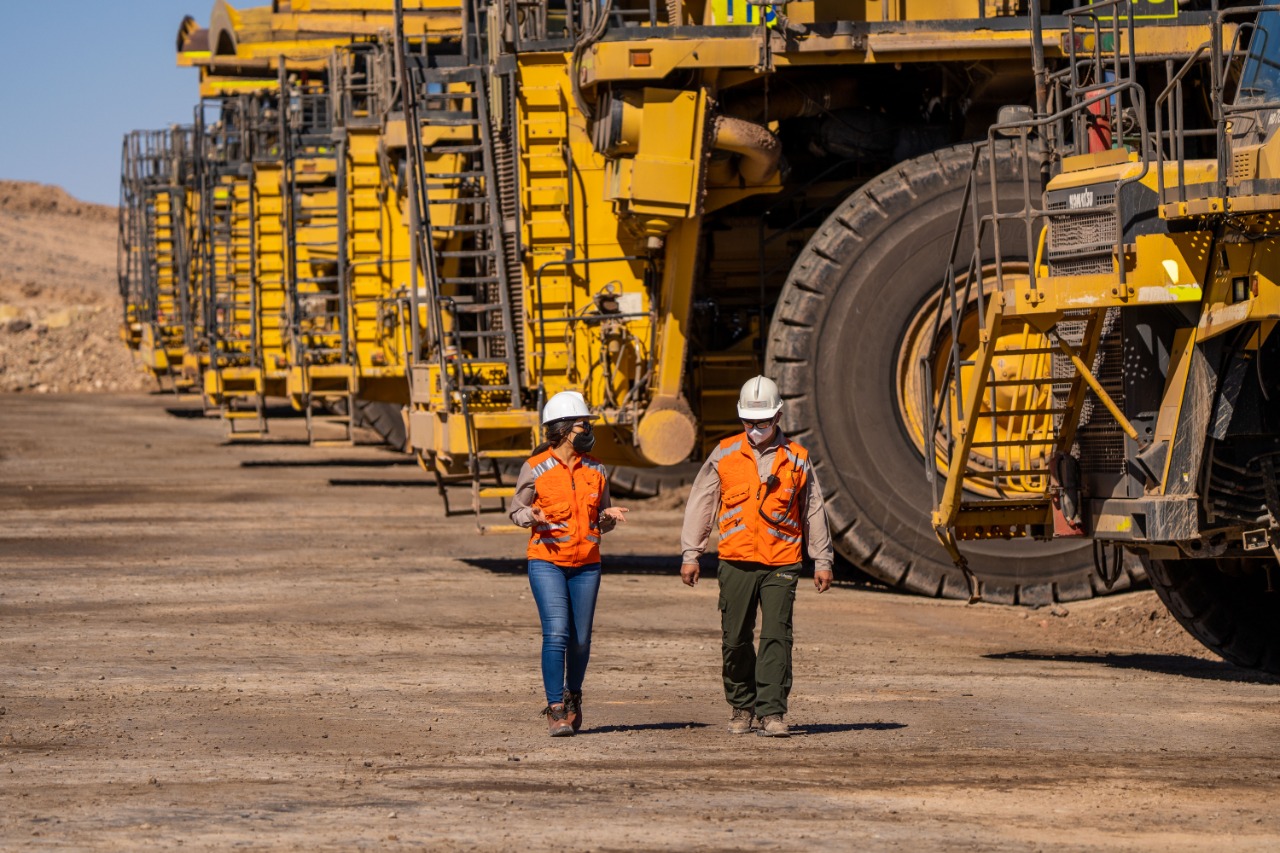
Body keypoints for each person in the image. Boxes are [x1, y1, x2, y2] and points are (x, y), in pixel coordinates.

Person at [680, 375, 834, 738]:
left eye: (762, 423)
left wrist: (822, 559)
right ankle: (741, 705)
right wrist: (692, 553)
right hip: (736, 561)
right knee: (735, 639)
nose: (754, 429)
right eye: (748, 422)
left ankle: (772, 712)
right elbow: (702, 504)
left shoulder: (797, 458)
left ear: (778, 417)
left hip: (782, 560)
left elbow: (813, 509)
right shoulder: (725, 453)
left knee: (777, 637)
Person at [510, 390, 629, 736]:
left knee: (580, 640)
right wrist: (530, 514)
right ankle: (555, 707)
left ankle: (573, 695)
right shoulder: (535, 468)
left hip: (587, 564)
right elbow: (515, 509)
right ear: (563, 428)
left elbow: (600, 517)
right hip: (546, 561)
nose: (588, 430)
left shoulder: (597, 469)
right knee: (558, 632)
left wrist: (608, 517)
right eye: (583, 424)